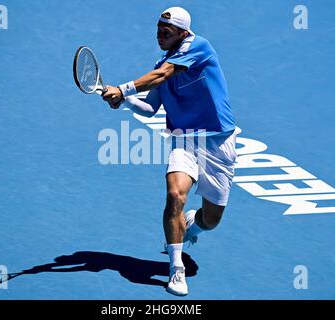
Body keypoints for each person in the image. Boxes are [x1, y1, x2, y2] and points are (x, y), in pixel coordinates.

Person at [102, 7, 237, 296]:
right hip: (184, 141)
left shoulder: (198, 46)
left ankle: (192, 225)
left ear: (183, 33)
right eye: (158, 30)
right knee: (175, 194)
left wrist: (123, 90)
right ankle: (176, 269)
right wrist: (124, 102)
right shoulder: (163, 61)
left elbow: (163, 75)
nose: (159, 36)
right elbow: (150, 108)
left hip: (218, 143)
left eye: (166, 31)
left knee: (211, 220)